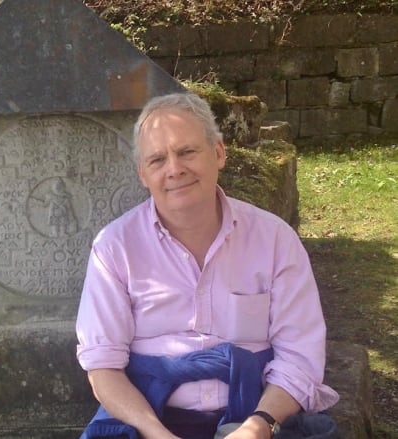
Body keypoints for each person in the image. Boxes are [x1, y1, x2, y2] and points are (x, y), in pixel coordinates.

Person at [75, 92, 339, 439]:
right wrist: (157, 434)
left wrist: (258, 427)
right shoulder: (114, 248)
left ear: (218, 153)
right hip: (148, 421)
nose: (174, 169)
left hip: (257, 416)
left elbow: (300, 357)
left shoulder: (275, 240)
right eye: (157, 160)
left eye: (187, 152)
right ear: (143, 174)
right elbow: (103, 365)